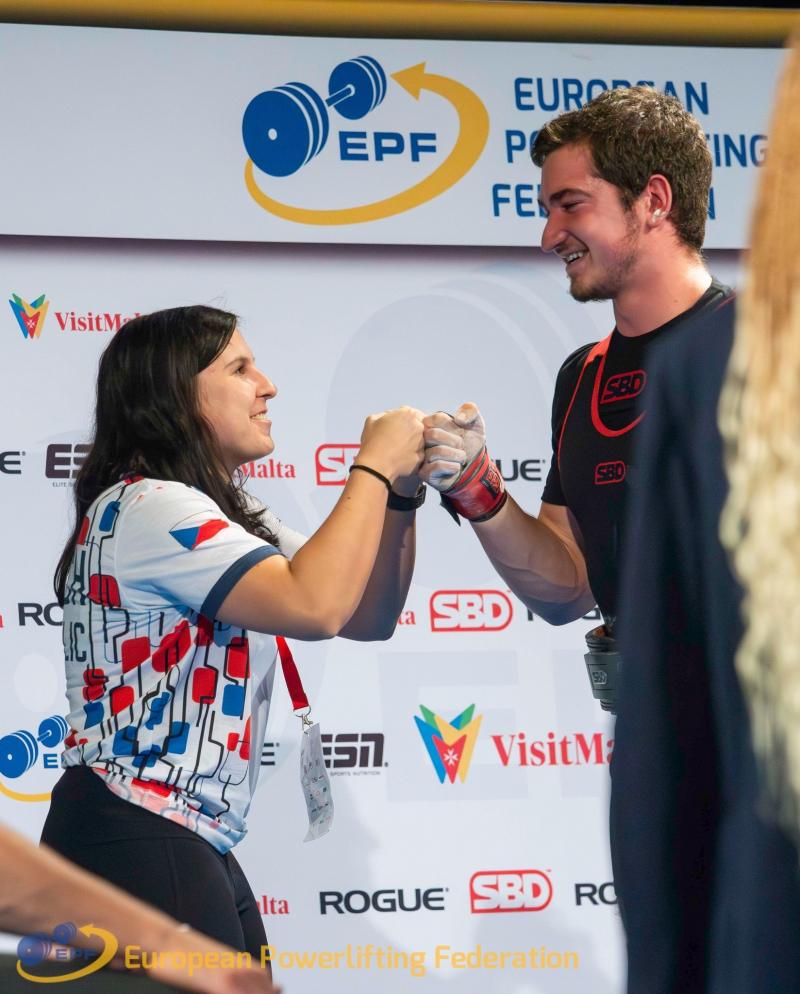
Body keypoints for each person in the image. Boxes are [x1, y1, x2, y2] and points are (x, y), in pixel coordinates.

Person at [41, 305, 425, 969]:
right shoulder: (152, 506)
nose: (267, 386)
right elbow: (315, 606)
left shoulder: (222, 511)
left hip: (176, 831)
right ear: (176, 394)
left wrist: (400, 495)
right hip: (135, 828)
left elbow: (367, 613)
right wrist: (371, 465)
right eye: (240, 369)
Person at [420, 85, 733, 712]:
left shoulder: (771, 351)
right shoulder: (583, 376)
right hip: (653, 737)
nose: (548, 236)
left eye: (571, 205)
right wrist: (479, 491)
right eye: (547, 210)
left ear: (654, 201)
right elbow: (567, 589)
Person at [611, 38, 800, 994]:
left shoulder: (715, 361)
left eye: (570, 203)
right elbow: (670, 734)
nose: (551, 231)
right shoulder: (719, 374)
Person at [0, 822, 278, 992]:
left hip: (210, 825)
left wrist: (166, 944)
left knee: (245, 982)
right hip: (132, 805)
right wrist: (166, 945)